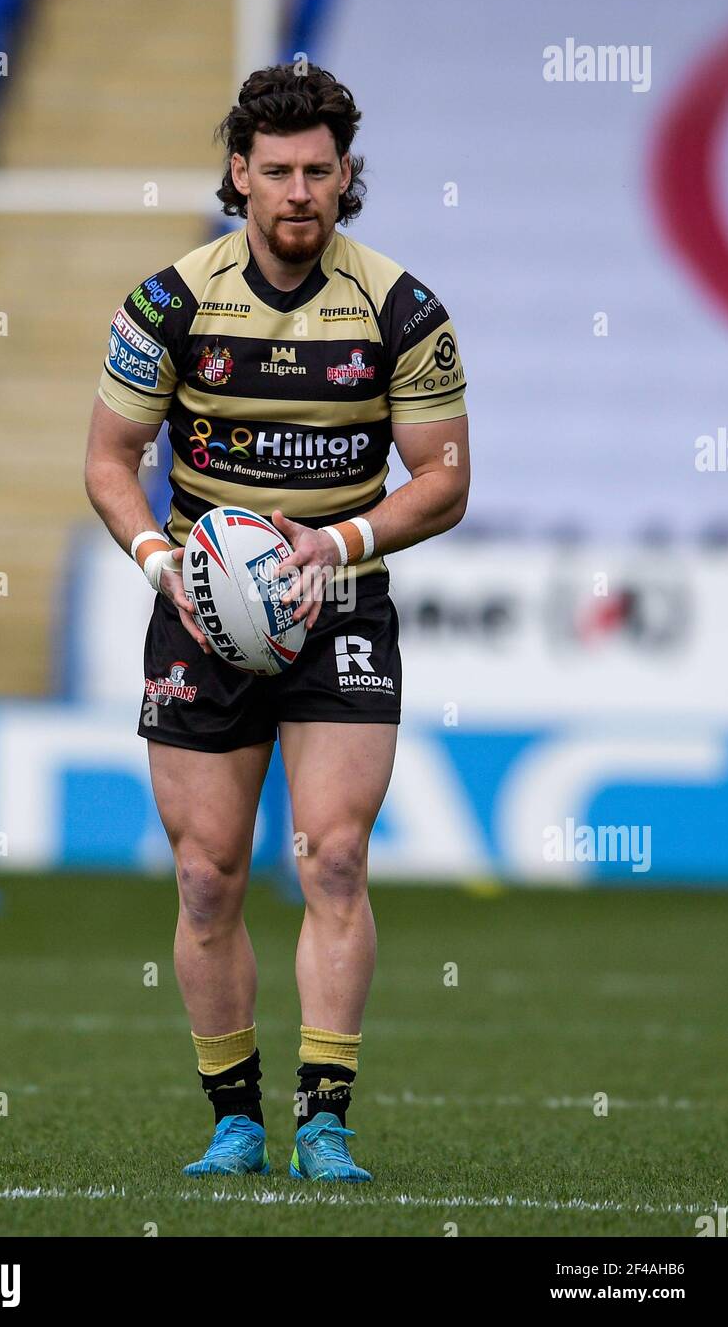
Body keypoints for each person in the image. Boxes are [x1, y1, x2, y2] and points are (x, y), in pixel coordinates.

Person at [84, 63, 470, 1181]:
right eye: (277, 171)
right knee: (207, 874)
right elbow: (110, 462)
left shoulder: (401, 309)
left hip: (340, 600)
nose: (298, 191)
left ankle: (328, 1120)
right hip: (200, 611)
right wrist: (163, 562)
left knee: (333, 857)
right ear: (238, 176)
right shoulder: (168, 301)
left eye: (319, 170)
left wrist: (335, 545)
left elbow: (441, 479)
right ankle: (234, 1120)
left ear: (346, 177)